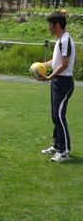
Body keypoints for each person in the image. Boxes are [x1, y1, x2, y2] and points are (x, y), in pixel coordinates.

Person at [39, 12, 75, 163]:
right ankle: (57, 145)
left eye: (50, 25)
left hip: (64, 82)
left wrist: (49, 76)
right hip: (57, 82)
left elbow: (65, 64)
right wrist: (40, 66)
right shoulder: (60, 40)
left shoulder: (65, 40)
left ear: (57, 25)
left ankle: (64, 151)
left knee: (59, 116)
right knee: (55, 116)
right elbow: (55, 61)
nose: (49, 28)